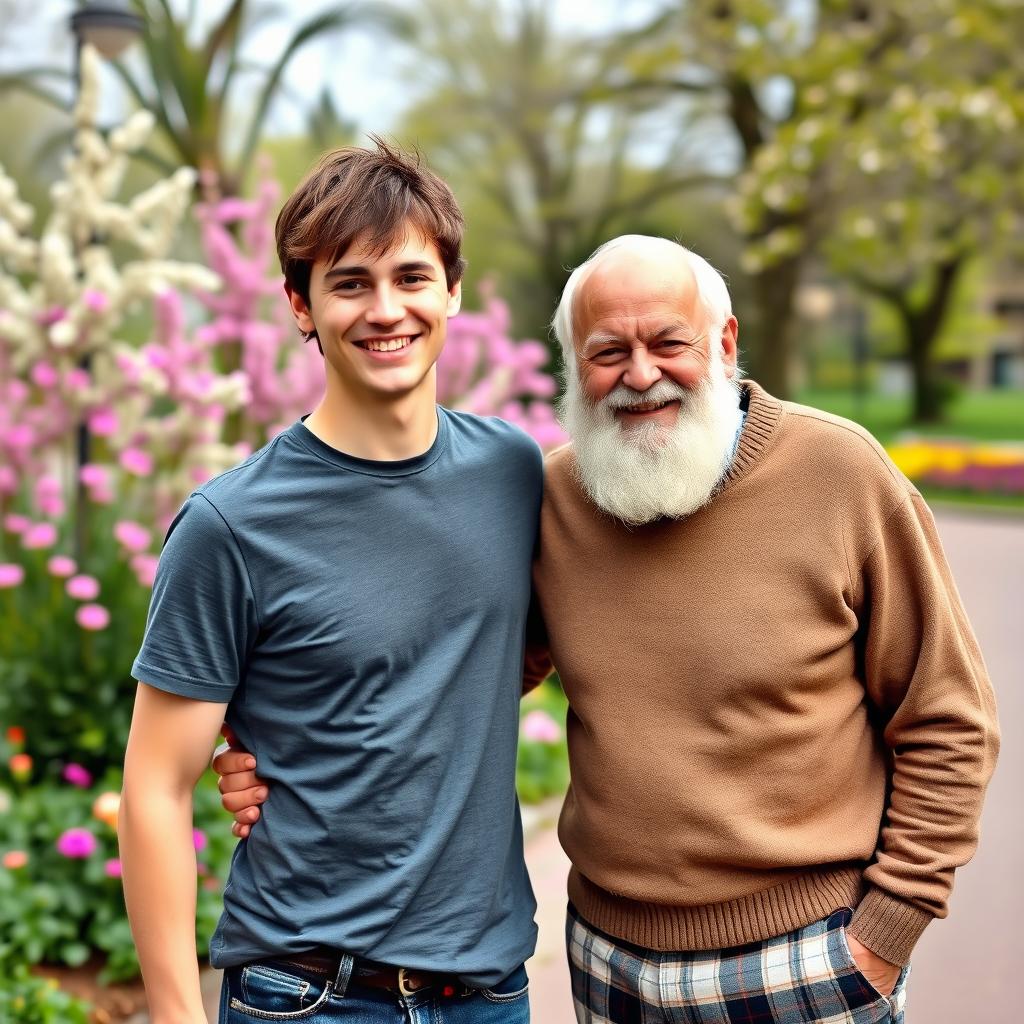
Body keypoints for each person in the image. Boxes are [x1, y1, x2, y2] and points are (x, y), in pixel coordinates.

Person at [216, 235, 999, 1024]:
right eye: (607, 351)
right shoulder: (557, 497)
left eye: (668, 341)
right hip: (609, 963)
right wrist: (280, 746)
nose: (641, 373)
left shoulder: (842, 475)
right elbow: (458, 669)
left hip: (805, 957)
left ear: (723, 342)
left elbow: (947, 717)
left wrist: (886, 932)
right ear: (574, 365)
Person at [119, 141, 541, 1024]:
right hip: (309, 994)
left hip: (491, 991)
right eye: (350, 283)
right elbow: (155, 788)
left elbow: (506, 641)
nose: (386, 310)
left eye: (413, 278)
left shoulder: (512, 471)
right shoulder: (231, 526)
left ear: (453, 292)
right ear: (299, 308)